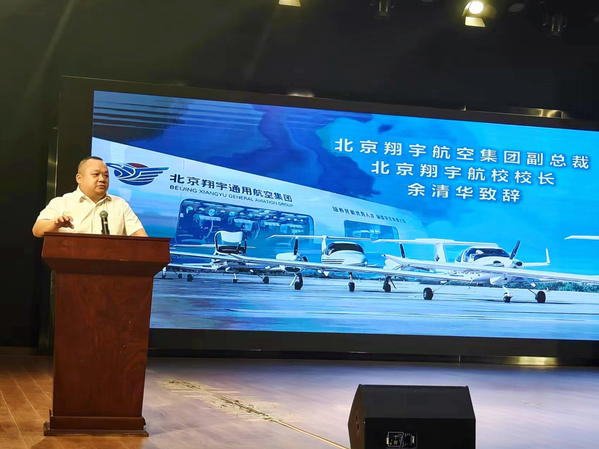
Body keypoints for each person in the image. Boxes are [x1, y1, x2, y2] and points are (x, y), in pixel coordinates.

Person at [32, 156, 148, 238]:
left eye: (106, 175)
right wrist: (56, 224)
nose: (102, 179)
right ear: (79, 178)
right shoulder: (62, 202)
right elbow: (37, 230)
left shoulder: (120, 204)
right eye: (96, 174)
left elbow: (141, 237)